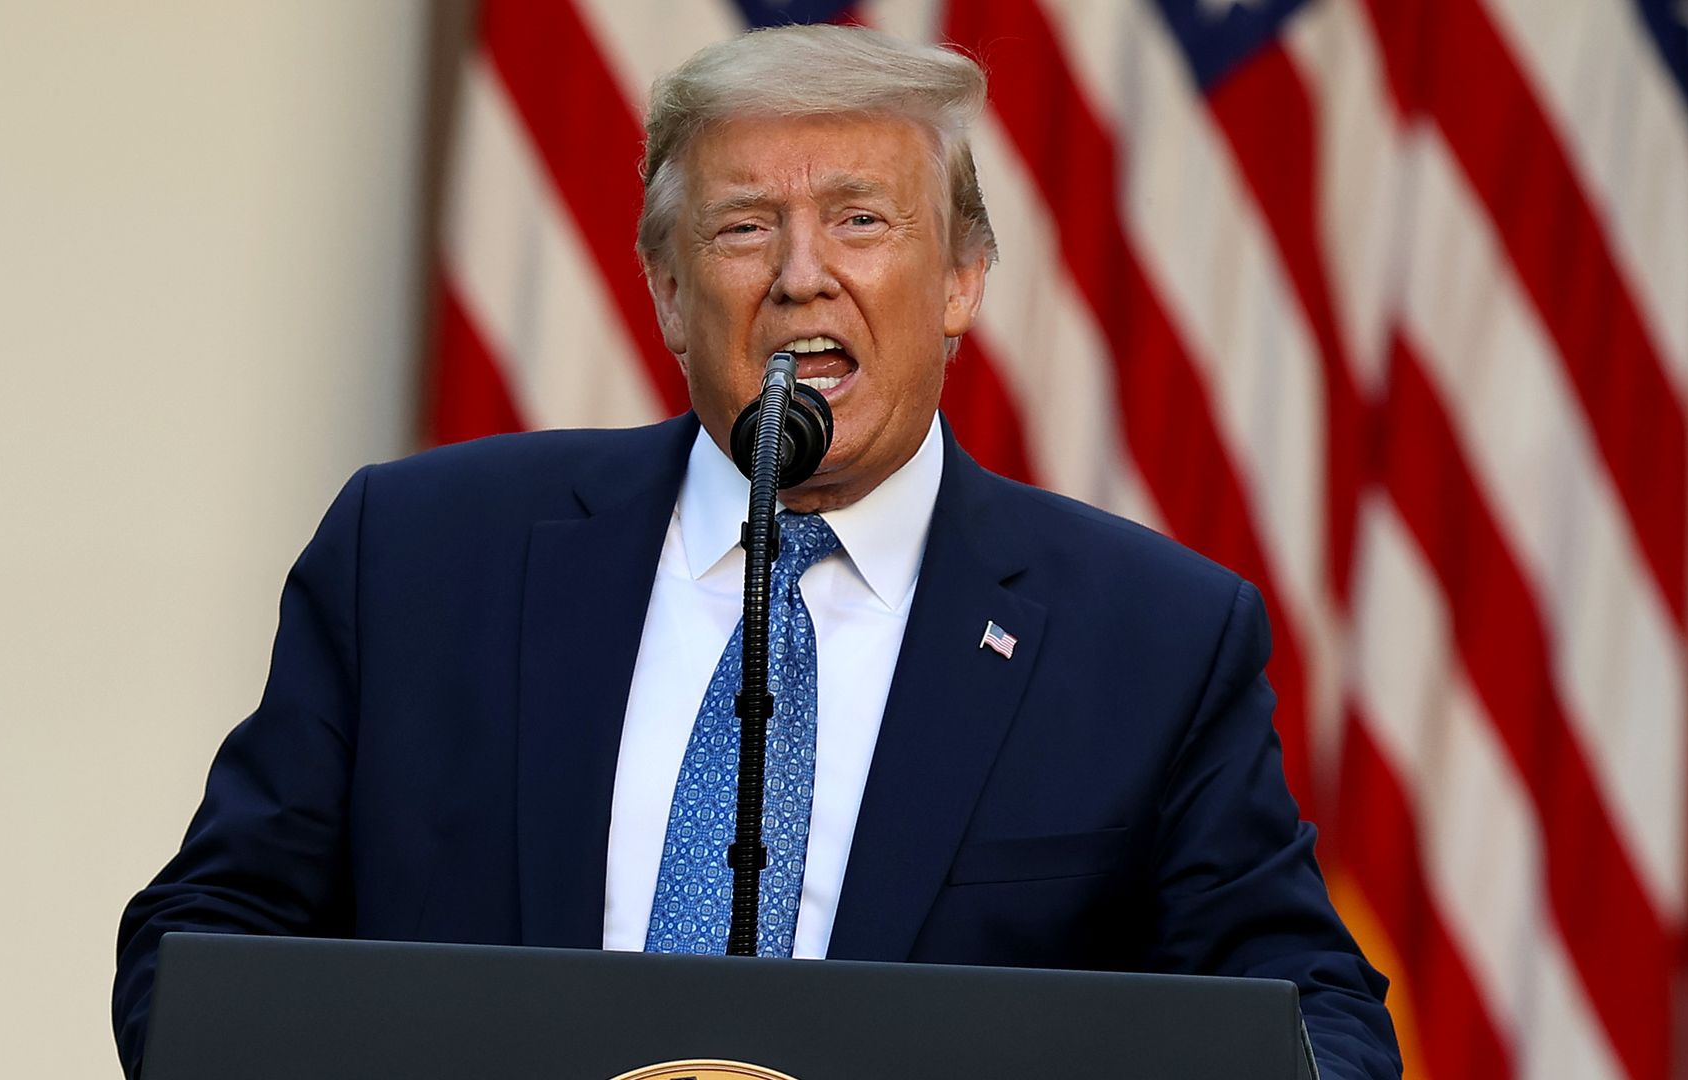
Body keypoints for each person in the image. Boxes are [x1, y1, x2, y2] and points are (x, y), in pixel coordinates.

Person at [113, 23, 1399, 1079]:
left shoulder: (1150, 638)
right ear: (670, 295)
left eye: (861, 221)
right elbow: (204, 947)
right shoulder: (420, 557)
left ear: (963, 281)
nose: (801, 276)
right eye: (741, 229)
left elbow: (1312, 1016)